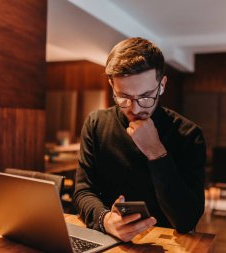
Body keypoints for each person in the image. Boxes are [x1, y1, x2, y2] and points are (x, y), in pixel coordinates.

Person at [73, 37, 206, 242]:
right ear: (111, 86)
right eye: (123, 96)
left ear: (161, 85)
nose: (134, 109)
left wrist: (156, 153)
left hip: (167, 242)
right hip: (109, 241)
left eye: (145, 96)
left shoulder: (189, 134)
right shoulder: (96, 124)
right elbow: (83, 191)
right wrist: (105, 220)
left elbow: (186, 220)